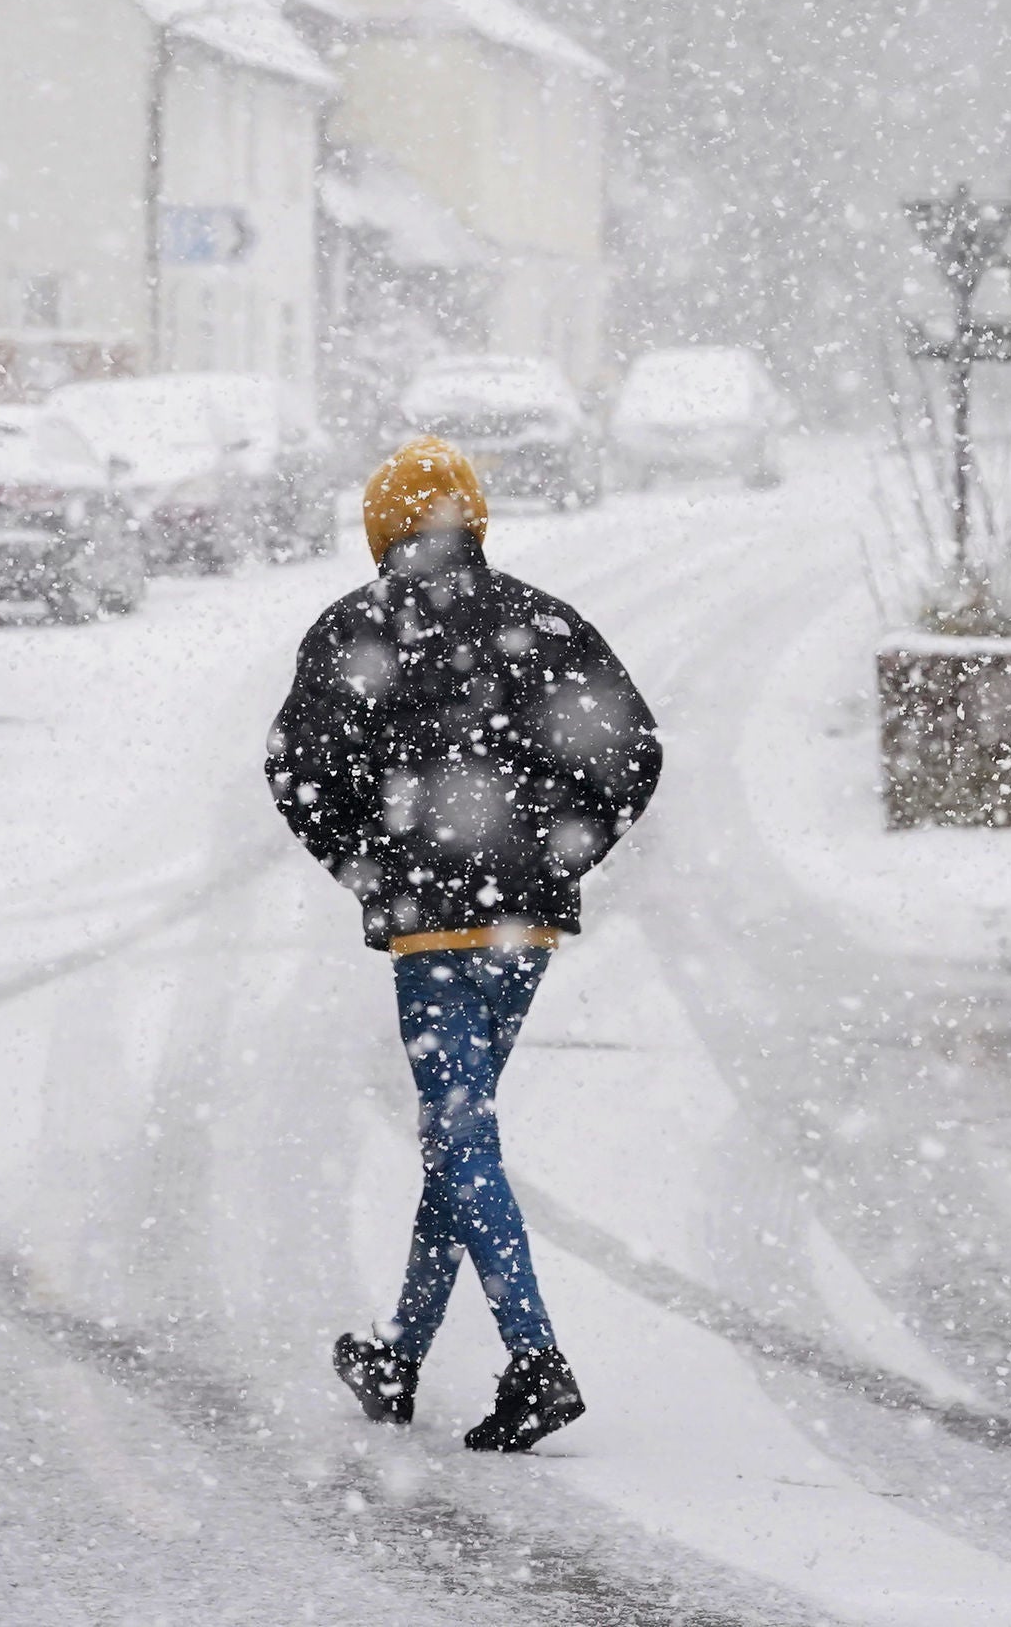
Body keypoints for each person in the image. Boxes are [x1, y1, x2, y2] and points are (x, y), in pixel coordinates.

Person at [265, 436, 663, 1452]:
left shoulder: (355, 629)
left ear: (379, 529)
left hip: (434, 930)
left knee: (457, 1137)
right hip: (522, 921)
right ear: (473, 519)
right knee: (461, 1136)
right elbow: (631, 747)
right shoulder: (543, 623)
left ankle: (535, 1358)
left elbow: (294, 770)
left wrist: (369, 864)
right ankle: (397, 1352)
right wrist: (563, 852)